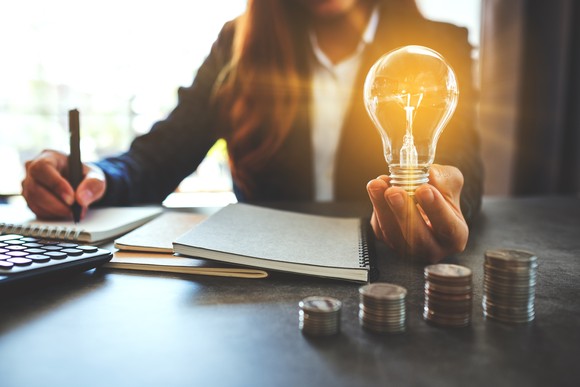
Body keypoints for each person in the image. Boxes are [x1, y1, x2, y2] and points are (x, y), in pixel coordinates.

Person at [21, 0, 483, 263]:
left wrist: (444, 199)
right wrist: (89, 174)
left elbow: (462, 167)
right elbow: (157, 157)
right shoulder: (236, 44)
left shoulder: (440, 45)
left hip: (387, 277)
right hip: (260, 281)